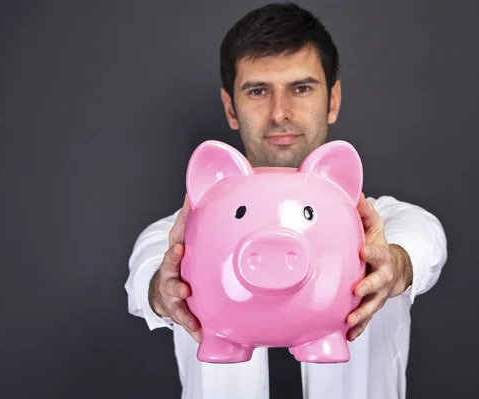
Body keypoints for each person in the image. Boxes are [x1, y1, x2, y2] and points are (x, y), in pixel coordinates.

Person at [125, 3, 448, 399]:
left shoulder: (381, 222)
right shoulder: (181, 231)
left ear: (332, 99)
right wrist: (165, 288)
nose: (280, 113)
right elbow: (147, 275)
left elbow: (424, 239)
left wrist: (393, 266)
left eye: (301, 88)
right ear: (231, 107)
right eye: (258, 91)